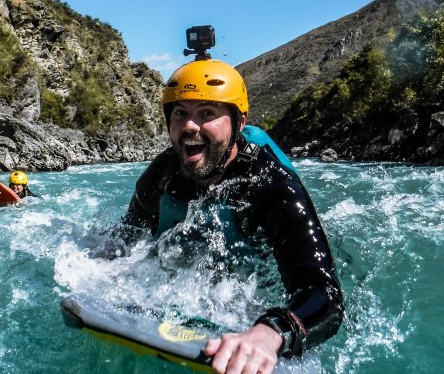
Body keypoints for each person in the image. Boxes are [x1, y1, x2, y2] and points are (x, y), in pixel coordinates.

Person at [114, 57, 344, 373]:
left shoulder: (272, 186)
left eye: (207, 113)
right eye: (180, 113)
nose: (190, 126)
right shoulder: (160, 177)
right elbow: (125, 239)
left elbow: (323, 293)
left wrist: (270, 332)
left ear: (238, 122)